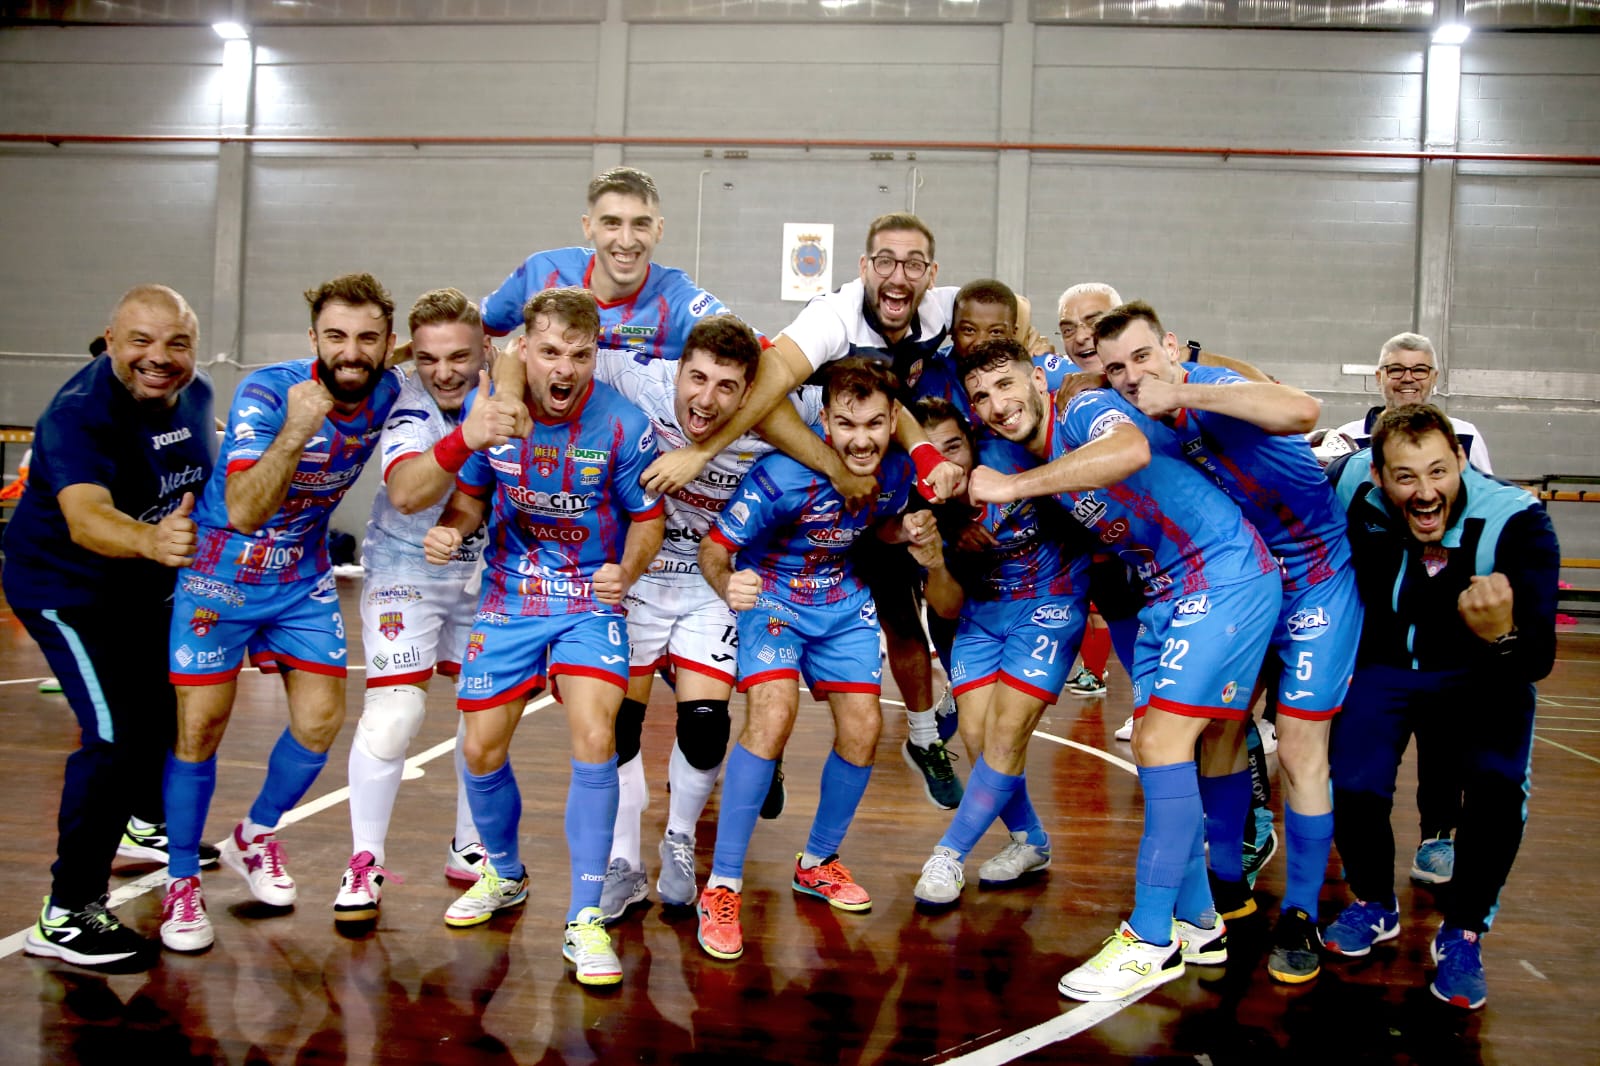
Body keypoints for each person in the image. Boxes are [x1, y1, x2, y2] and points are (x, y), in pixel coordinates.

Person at [959, 336, 1280, 1002]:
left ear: (1037, 381)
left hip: (1221, 575)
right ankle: (1198, 923)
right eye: (981, 396)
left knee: (1162, 743)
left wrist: (1013, 486)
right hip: (1165, 592)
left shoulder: (1080, 411)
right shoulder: (1032, 452)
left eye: (1006, 385)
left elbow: (1129, 449)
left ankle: (1150, 938)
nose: (996, 404)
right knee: (1163, 757)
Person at [642, 213, 969, 810]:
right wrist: (705, 452)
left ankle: (924, 737)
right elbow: (763, 397)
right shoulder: (831, 318)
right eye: (886, 261)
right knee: (768, 651)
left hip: (875, 470)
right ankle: (767, 756)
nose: (899, 275)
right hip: (806, 481)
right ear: (864, 267)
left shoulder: (942, 306)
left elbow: (1012, 312)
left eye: (913, 264)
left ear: (931, 273)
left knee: (903, 605)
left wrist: (924, 451)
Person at [1101, 300, 1362, 985]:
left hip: (1315, 580)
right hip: (1243, 581)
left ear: (1171, 347)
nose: (1133, 377)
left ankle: (1300, 913)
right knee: (1219, 729)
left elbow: (1303, 410)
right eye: (1117, 369)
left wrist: (1182, 391)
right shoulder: (1134, 426)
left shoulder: (1211, 387)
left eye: (1142, 357)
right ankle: (1225, 880)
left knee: (1299, 749)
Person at [423, 287, 665, 988]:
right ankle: (504, 874)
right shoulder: (493, 414)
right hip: (510, 594)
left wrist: (627, 568)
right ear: (524, 349)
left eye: (580, 355)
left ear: (595, 355)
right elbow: (470, 496)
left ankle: (586, 917)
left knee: (595, 736)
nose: (565, 369)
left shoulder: (622, 424)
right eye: (551, 352)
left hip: (590, 598)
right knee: (479, 747)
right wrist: (451, 529)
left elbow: (648, 517)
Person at [158, 273, 406, 954]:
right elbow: (243, 509)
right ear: (312, 339)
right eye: (335, 336)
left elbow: (429, 352)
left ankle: (255, 833)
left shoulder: (387, 384)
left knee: (321, 721)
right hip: (220, 573)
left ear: (387, 342)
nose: (351, 352)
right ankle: (181, 880)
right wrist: (298, 430)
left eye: (367, 338)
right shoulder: (268, 393)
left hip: (300, 576)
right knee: (200, 729)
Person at [584, 315, 824, 923]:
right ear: (678, 372)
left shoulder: (790, 408)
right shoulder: (639, 378)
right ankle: (623, 862)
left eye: (726, 386)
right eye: (697, 378)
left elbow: (867, 403)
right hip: (637, 569)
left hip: (714, 576)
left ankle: (681, 838)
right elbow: (546, 350)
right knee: (619, 726)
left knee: (705, 727)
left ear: (751, 393)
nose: (706, 398)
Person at [693, 357, 933, 962]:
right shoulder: (779, 475)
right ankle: (722, 885)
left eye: (874, 424)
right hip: (773, 596)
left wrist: (904, 533)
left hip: (842, 600)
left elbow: (877, 525)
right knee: (772, 717)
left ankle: (818, 862)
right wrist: (727, 584)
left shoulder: (898, 470)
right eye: (846, 424)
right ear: (824, 421)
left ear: (893, 421)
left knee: (865, 727)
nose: (861, 439)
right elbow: (714, 549)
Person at [4, 285, 214, 968]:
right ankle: (67, 912)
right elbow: (86, 517)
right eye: (141, 342)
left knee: (167, 704)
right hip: (66, 591)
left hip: (143, 585)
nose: (159, 357)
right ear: (111, 341)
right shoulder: (79, 414)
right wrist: (152, 541)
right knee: (117, 734)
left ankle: (145, 823)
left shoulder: (197, 395)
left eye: (177, 343)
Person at [1321, 405, 1557, 1010]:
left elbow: (1537, 659)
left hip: (1484, 669)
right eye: (1405, 477)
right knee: (1354, 782)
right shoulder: (1347, 483)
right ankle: (1374, 903)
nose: (1425, 492)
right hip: (1382, 665)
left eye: (1438, 472)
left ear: (1460, 461)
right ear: (1378, 476)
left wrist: (1502, 634)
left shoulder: (1517, 518)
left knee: (1497, 786)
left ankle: (1464, 931)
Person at [335, 288, 521, 924]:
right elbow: (407, 493)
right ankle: (364, 859)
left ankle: (471, 845)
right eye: (429, 357)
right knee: (394, 715)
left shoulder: (512, 383)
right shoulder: (406, 401)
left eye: (458, 357)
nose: (443, 372)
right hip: (405, 569)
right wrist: (468, 434)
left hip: (488, 570)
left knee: (486, 714)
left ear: (485, 349)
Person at [906, 397, 1090, 906]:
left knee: (1007, 733)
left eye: (954, 447)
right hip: (982, 614)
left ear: (972, 440)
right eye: (933, 454)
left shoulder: (1013, 455)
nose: (947, 464)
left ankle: (948, 854)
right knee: (976, 736)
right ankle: (1031, 841)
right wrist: (936, 560)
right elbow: (946, 607)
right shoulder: (921, 508)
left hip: (1050, 600)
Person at [1333, 331, 1494, 885]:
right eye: (1396, 369)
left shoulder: (1465, 437)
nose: (1408, 378)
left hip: (1445, 629)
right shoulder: (1347, 447)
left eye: (1419, 369)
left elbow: (1478, 517)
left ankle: (1437, 838)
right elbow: (1332, 533)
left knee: (1444, 743)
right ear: (1378, 377)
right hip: (1373, 628)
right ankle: (1365, 866)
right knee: (1362, 753)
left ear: (1434, 377)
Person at [479, 166, 739, 359]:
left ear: (659, 230)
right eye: (612, 223)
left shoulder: (677, 298)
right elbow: (473, 328)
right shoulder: (543, 271)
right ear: (588, 226)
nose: (626, 241)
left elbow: (754, 351)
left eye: (640, 224)